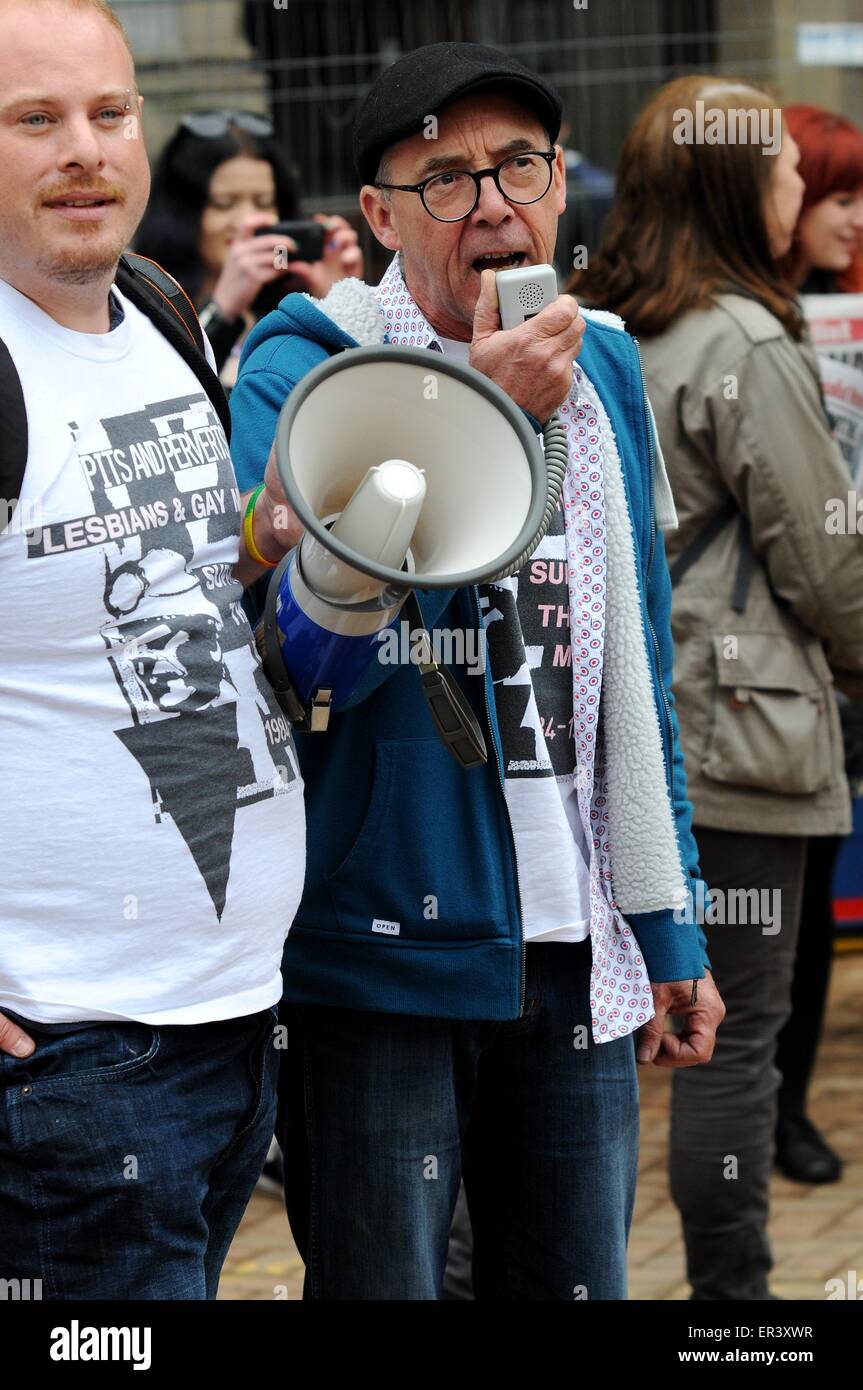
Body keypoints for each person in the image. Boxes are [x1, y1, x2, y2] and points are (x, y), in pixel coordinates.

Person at [230, 40, 725, 1302]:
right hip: (380, 948)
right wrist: (462, 409)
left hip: (575, 941)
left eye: (519, 165)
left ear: (562, 188)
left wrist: (671, 925)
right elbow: (305, 645)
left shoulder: (602, 363)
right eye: (444, 178)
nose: (493, 201)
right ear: (380, 218)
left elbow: (634, 668)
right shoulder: (301, 365)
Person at [0, 0, 306, 1299]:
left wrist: (264, 539)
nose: (85, 149)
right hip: (70, 1050)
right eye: (34, 119)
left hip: (232, 1012)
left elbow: (159, 593)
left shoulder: (161, 304)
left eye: (109, 114)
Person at [573, 75, 863, 1300]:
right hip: (743, 733)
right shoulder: (742, 338)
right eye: (788, 172)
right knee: (732, 1043)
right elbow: (825, 561)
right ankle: (733, 1312)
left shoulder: (613, 321)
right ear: (738, 189)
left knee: (661, 1037)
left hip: (645, 723)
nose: (802, 189)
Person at [770, 104, 863, 1184]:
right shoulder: (743, 328)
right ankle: (776, 1111)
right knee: (784, 922)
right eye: (830, 192)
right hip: (795, 651)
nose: (846, 217)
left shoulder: (841, 313)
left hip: (833, 637)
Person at [135, 112, 362, 387]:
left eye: (264, 202)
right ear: (183, 213)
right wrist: (221, 310)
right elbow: (168, 395)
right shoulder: (141, 305)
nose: (249, 220)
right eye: (224, 203)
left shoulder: (292, 308)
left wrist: (338, 308)